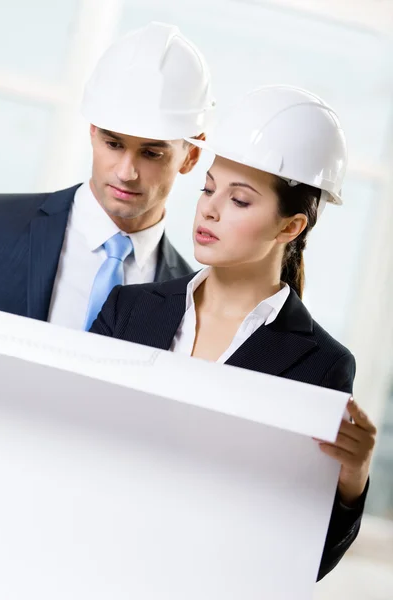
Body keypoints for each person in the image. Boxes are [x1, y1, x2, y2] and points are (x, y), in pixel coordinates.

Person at [89, 85, 377, 581]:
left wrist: (352, 481)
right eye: (208, 189)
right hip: (89, 569)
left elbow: (299, 563)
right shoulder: (128, 311)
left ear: (290, 228)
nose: (209, 210)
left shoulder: (320, 363)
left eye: (239, 200)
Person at [0, 22, 215, 330]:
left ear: (190, 156)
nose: (126, 173)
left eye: (151, 153)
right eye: (114, 144)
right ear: (93, 131)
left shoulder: (194, 301)